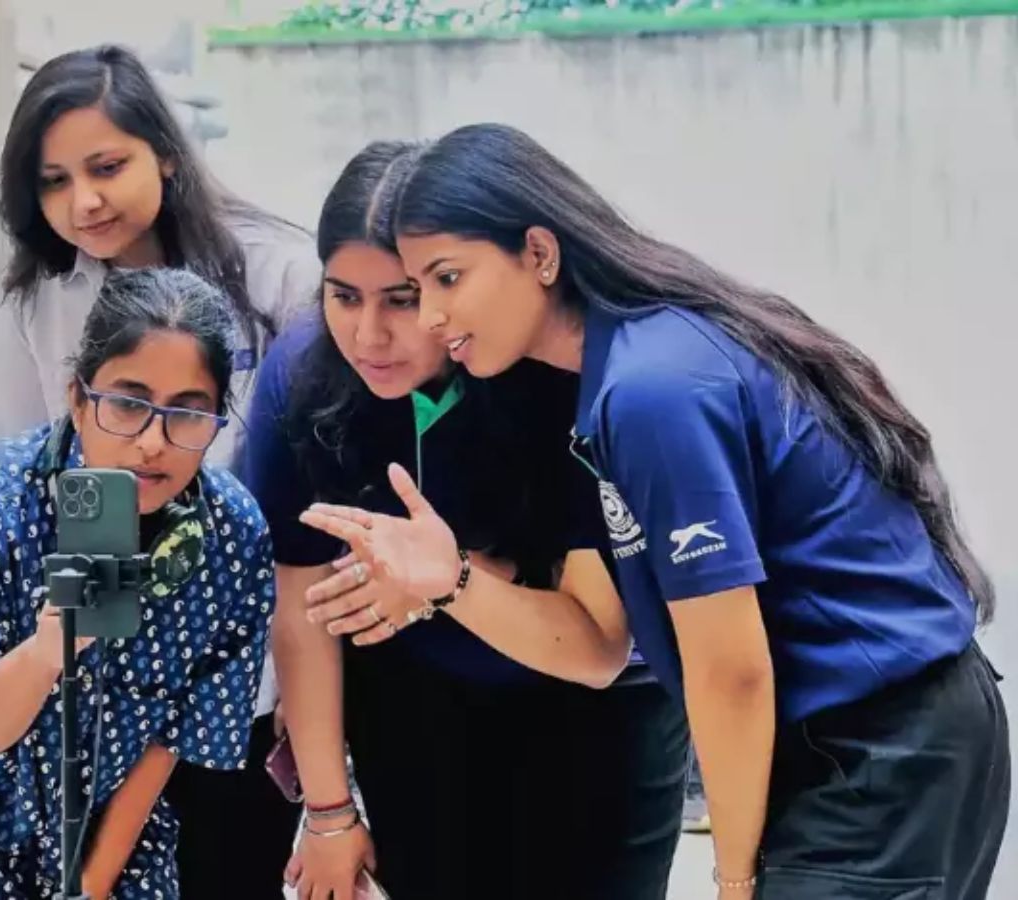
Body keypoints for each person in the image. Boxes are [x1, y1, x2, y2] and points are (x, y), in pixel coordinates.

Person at [308, 123, 1009, 899]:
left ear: (539, 255)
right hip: (876, 742)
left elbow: (729, 669)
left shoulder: (651, 388)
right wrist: (453, 579)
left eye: (446, 279)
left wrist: (736, 880)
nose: (431, 318)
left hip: (881, 749)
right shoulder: (618, 369)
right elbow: (606, 644)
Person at [243, 141, 688, 900]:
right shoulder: (302, 376)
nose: (369, 335)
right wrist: (326, 812)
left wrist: (446, 583)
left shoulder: (557, 376)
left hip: (595, 710)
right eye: (343, 295)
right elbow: (303, 601)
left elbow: (597, 646)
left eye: (403, 299)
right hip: (417, 699)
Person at [0, 45, 316, 897]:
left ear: (166, 154)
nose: (82, 201)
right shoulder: (39, 299)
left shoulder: (274, 272)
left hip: (244, 673)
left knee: (227, 866)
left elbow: (312, 472)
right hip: (98, 682)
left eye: (106, 166)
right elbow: (27, 480)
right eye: (53, 181)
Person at [0, 268, 274, 899]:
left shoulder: (231, 536)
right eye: (128, 403)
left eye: (187, 413)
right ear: (78, 397)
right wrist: (52, 649)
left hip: (106, 830)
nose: (153, 443)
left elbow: (173, 737)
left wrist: (92, 884)